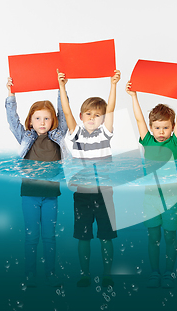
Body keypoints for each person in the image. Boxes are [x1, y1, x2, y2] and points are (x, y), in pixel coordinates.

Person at [58, 69, 121, 288]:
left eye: (97, 115)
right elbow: (66, 114)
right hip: (82, 194)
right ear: (81, 116)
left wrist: (113, 84)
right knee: (83, 237)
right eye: (88, 114)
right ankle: (84, 273)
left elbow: (111, 108)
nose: (92, 118)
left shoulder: (105, 134)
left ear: (102, 119)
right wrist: (63, 87)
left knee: (106, 236)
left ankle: (107, 274)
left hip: (104, 192)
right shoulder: (76, 134)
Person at [5, 76, 67, 287]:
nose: (42, 123)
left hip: (51, 196)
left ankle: (50, 274)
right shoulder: (25, 138)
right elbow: (13, 120)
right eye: (38, 118)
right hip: (30, 195)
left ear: (53, 121)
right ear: (30, 120)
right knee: (32, 237)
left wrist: (61, 88)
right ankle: (30, 274)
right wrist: (11, 96)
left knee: (49, 237)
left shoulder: (58, 136)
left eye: (47, 119)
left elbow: (64, 115)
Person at [126, 80, 177, 288]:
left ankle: (169, 273)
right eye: (157, 127)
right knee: (154, 238)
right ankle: (154, 272)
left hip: (171, 200)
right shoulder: (148, 141)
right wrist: (134, 96)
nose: (161, 131)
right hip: (150, 200)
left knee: (170, 237)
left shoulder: (174, 143)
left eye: (166, 127)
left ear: (171, 129)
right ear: (151, 128)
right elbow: (138, 118)